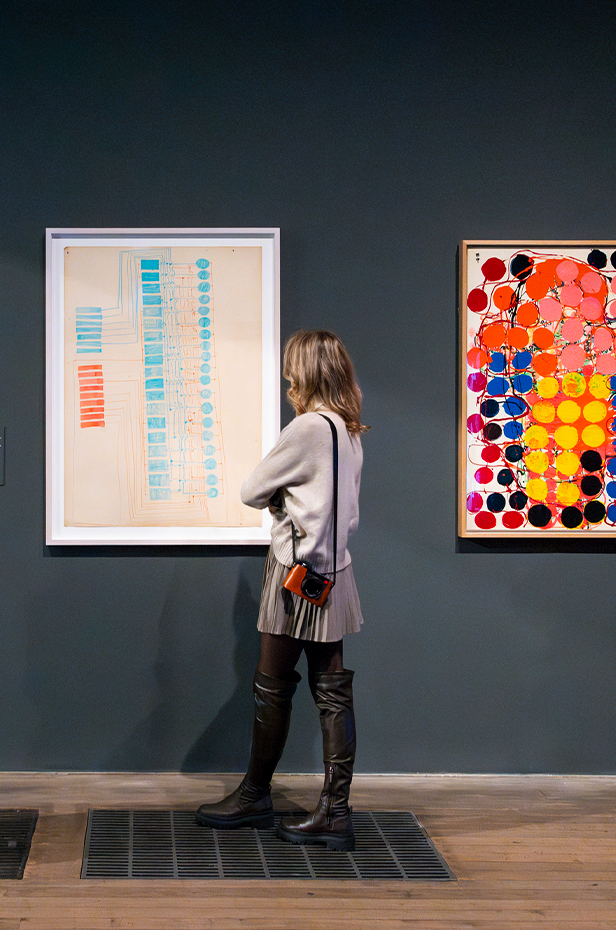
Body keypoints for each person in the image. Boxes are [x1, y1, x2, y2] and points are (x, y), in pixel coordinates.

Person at [197, 329, 368, 851]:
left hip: (295, 576)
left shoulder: (308, 428)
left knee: (272, 684)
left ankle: (254, 795)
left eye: (293, 369)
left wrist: (277, 504)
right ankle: (335, 811)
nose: (288, 378)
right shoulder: (348, 428)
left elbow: (251, 490)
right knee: (332, 689)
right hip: (333, 573)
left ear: (306, 373)